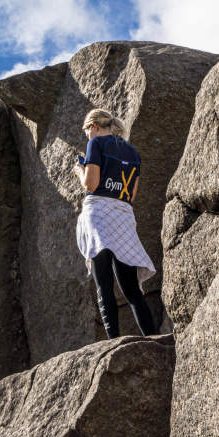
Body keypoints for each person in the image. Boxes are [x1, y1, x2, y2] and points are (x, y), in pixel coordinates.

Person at [73, 109, 158, 338]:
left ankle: (113, 342)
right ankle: (152, 338)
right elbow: (130, 195)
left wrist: (81, 173)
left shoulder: (96, 144)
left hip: (99, 213)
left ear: (93, 127)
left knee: (104, 284)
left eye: (87, 132)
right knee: (131, 289)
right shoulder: (132, 152)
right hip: (123, 216)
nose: (88, 137)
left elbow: (91, 184)